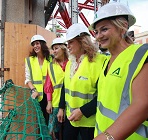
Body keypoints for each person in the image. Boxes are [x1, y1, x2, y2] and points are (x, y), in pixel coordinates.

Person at [88, 2, 148, 140]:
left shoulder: (140, 55)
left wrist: (107, 137)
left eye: (104, 29)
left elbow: (142, 105)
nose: (98, 36)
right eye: (96, 32)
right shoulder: (107, 61)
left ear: (123, 27)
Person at [57, 23, 107, 140]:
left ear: (82, 41)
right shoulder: (71, 62)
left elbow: (105, 95)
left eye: (71, 42)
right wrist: (61, 108)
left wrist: (83, 111)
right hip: (71, 118)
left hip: (89, 122)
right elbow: (66, 87)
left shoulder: (100, 62)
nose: (67, 46)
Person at [44, 37, 69, 139]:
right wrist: (49, 102)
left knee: (67, 131)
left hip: (70, 103)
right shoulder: (51, 66)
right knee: (53, 132)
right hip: (55, 103)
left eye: (56, 48)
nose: (54, 51)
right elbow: (48, 85)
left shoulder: (72, 63)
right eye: (53, 48)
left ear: (63, 49)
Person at [25, 34, 52, 125]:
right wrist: (33, 89)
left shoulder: (50, 59)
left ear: (42, 44)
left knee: (50, 121)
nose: (35, 46)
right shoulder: (29, 60)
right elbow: (28, 79)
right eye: (33, 44)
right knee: (39, 122)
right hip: (37, 95)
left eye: (37, 43)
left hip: (50, 95)